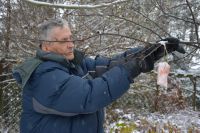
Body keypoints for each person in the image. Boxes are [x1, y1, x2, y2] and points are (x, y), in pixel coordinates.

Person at [12, 18, 185, 133]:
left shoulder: (75, 64)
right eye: (64, 40)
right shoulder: (43, 75)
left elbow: (109, 66)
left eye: (71, 38)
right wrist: (133, 68)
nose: (71, 44)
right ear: (46, 46)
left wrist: (149, 52)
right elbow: (89, 96)